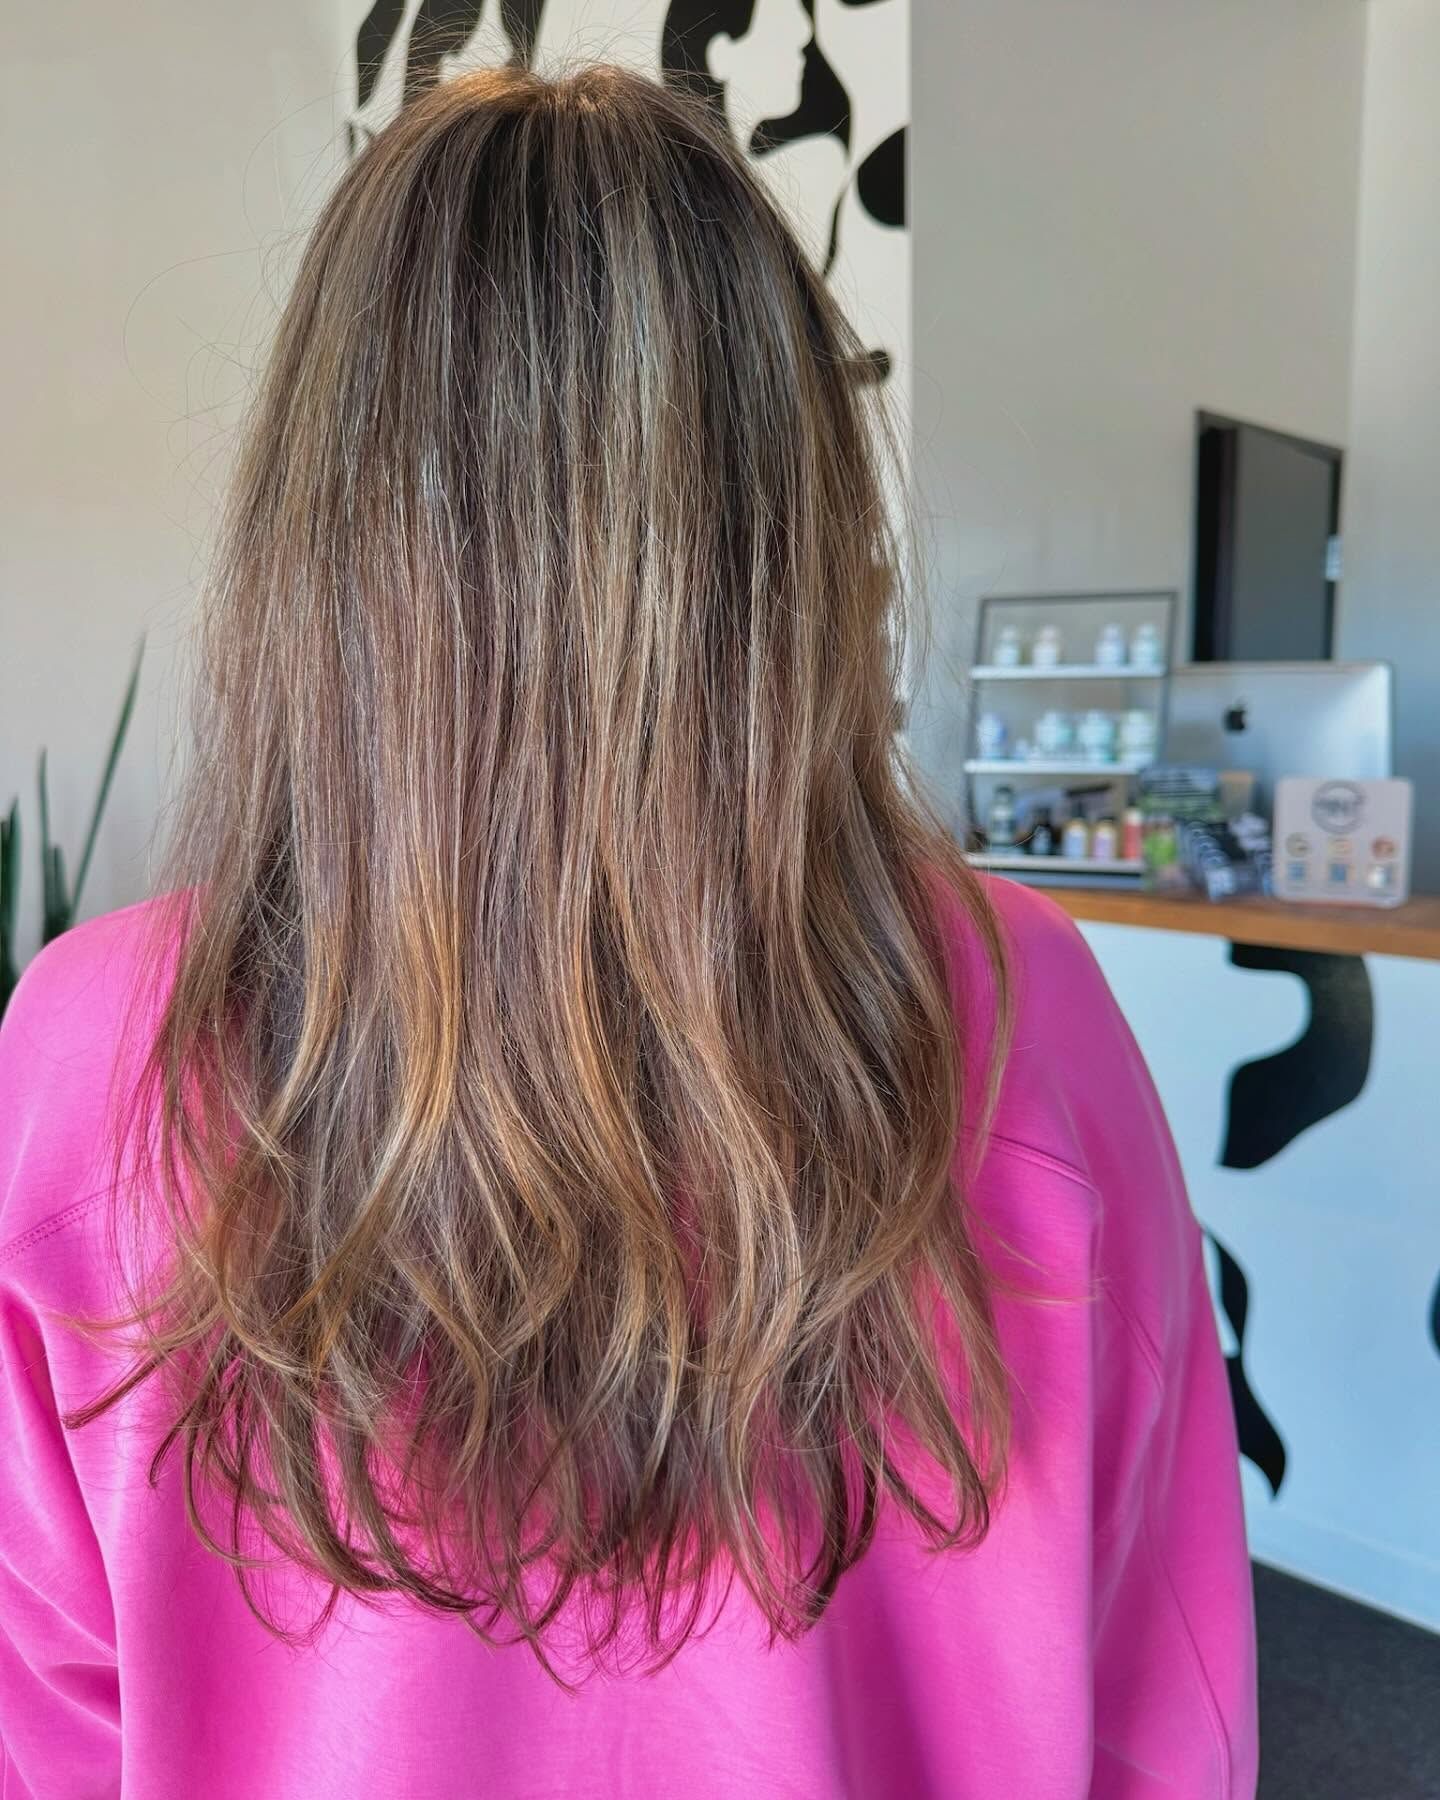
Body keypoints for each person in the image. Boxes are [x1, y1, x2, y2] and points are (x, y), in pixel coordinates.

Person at [0, 65, 1257, 1799]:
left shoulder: (91, 1056)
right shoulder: (1022, 1011)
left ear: (316, 534)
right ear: (800, 531)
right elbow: (1160, 1708)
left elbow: (49, 1729)